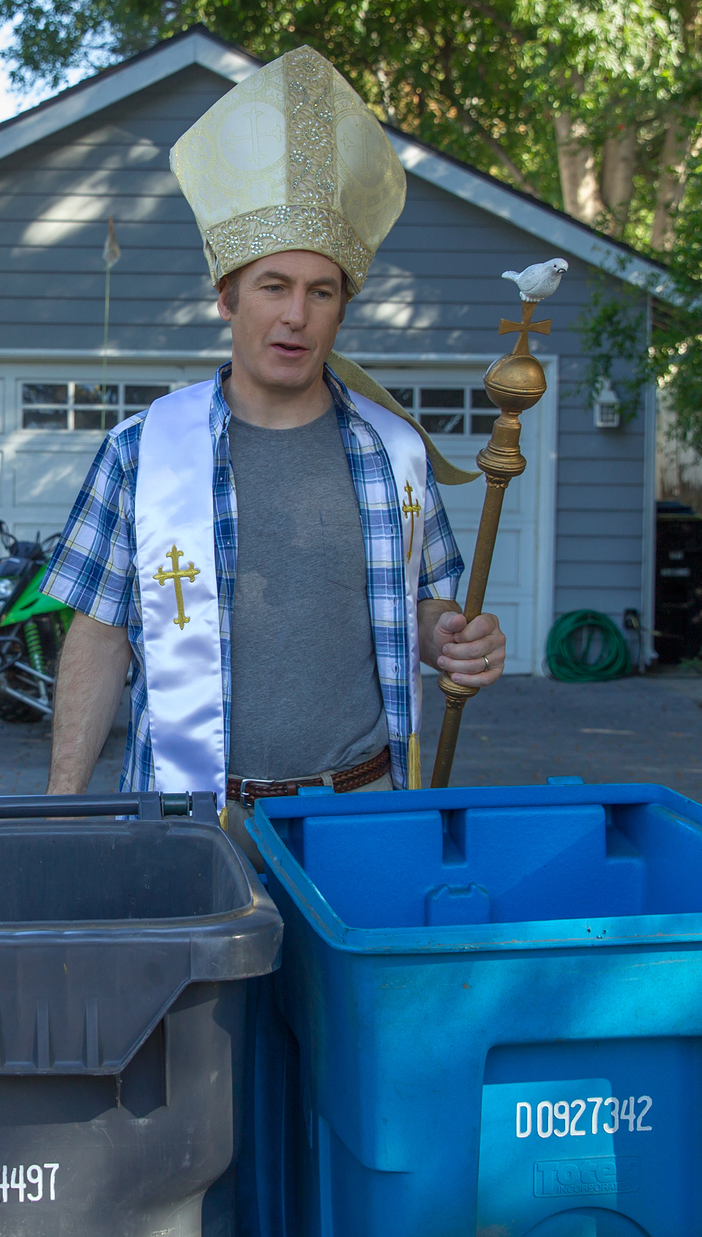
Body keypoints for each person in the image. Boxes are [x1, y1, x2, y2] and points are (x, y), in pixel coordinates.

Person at [40, 45, 507, 852]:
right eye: (274, 286)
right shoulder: (145, 451)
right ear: (227, 297)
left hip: (360, 820)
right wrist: (59, 809)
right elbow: (100, 635)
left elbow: (428, 607)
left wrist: (456, 640)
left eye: (320, 291)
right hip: (192, 826)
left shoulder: (396, 452)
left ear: (340, 307)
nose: (296, 315)